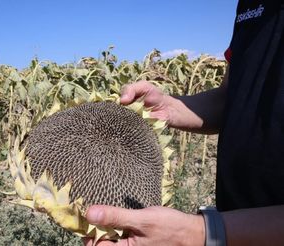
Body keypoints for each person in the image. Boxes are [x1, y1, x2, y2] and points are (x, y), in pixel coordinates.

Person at [84, 1, 284, 245]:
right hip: (231, 216)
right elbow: (232, 97)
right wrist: (169, 107)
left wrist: (199, 233)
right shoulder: (250, 4)